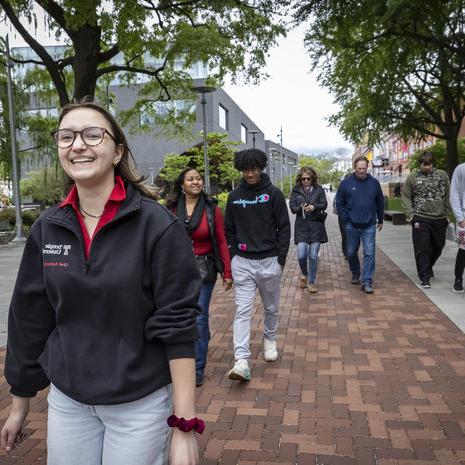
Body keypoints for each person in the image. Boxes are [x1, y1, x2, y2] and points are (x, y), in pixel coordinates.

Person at [1, 101, 203, 465]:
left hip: (138, 404)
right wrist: (20, 403)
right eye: (66, 136)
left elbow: (178, 326)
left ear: (117, 152)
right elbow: (29, 318)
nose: (78, 144)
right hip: (68, 402)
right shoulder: (48, 227)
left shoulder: (157, 226)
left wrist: (184, 426)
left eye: (93, 135)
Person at [225, 148, 290, 381]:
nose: (250, 173)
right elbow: (229, 229)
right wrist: (233, 255)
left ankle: (270, 340)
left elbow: (284, 227)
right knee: (242, 311)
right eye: (245, 170)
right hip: (243, 262)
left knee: (271, 308)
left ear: (260, 168)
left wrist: (280, 259)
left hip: (270, 260)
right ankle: (241, 360)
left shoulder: (273, 194)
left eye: (253, 169)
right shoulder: (234, 197)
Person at [167, 168, 232, 386]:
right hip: (176, 269)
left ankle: (197, 368)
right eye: (190, 179)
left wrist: (227, 272)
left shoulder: (212, 209)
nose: (196, 182)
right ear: (182, 184)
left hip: (204, 270)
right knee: (178, 315)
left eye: (198, 179)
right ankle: (178, 358)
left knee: (199, 316)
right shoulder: (171, 208)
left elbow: (222, 240)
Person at [402, 151, 452, 288]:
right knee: (422, 247)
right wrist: (410, 215)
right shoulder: (413, 177)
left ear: (432, 163)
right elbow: (406, 196)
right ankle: (424, 277)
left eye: (429, 165)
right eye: (424, 165)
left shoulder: (442, 175)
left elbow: (448, 194)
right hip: (420, 217)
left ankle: (428, 267)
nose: (427, 167)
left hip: (440, 217)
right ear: (420, 164)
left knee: (438, 246)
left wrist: (448, 213)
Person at [336, 156, 384, 294]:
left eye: (364, 168)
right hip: (351, 224)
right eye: (359, 169)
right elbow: (339, 202)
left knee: (369, 253)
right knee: (351, 252)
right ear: (354, 168)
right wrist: (345, 218)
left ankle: (367, 281)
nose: (362, 171)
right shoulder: (345, 183)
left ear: (367, 168)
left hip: (369, 224)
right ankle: (355, 272)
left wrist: (380, 219)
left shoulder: (374, 183)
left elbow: (380, 201)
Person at [289, 167, 328, 292]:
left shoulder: (319, 189)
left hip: (316, 226)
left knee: (313, 256)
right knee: (301, 255)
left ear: (312, 179)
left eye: (308, 178)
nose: (306, 181)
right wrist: (300, 207)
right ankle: (304, 274)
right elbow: (292, 208)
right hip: (301, 227)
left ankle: (311, 282)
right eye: (303, 178)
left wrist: (313, 207)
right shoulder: (295, 190)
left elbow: (324, 204)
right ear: (300, 179)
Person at [449, 161, 465, 293]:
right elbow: (454, 194)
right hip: (464, 216)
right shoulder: (461, 169)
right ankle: (458, 279)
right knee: (464, 250)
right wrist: (460, 217)